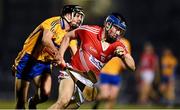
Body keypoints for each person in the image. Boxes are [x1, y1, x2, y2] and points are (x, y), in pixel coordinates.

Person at [49, 12, 136, 109]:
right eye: (117, 29)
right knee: (63, 101)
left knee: (67, 108)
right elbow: (67, 36)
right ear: (108, 24)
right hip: (72, 72)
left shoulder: (118, 45)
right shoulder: (88, 31)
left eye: (121, 31)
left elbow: (132, 66)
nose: (118, 33)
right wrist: (60, 56)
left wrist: (124, 56)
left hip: (87, 84)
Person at [12, 5, 85, 109]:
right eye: (77, 16)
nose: (79, 19)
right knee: (20, 103)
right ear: (68, 15)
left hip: (44, 64)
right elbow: (45, 40)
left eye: (81, 17)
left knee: (44, 95)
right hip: (28, 59)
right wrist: (58, 55)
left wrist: (83, 72)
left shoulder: (72, 34)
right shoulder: (54, 22)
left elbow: (76, 53)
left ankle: (32, 102)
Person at [92, 35, 131, 109]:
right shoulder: (109, 40)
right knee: (105, 95)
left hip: (117, 74)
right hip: (105, 72)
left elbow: (127, 56)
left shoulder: (126, 42)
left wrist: (126, 64)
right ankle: (96, 102)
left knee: (112, 97)